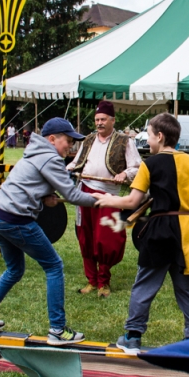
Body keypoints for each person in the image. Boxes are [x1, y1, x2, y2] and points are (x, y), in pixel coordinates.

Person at [0, 118, 99, 345]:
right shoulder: (51, 158)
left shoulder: (34, 152)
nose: (71, 146)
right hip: (15, 219)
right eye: (68, 141)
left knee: (14, 270)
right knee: (54, 266)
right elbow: (73, 195)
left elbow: (31, 185)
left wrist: (44, 198)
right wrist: (101, 200)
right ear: (52, 139)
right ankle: (58, 330)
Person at [95, 113, 189, 354]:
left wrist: (107, 199)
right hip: (188, 233)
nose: (147, 139)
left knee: (144, 285)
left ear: (159, 136)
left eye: (149, 134)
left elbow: (132, 200)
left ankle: (133, 336)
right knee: (186, 289)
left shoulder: (150, 163)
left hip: (160, 232)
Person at [66, 101, 141, 298]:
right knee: (86, 236)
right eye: (97, 119)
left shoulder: (125, 141)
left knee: (106, 239)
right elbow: (76, 162)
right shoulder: (88, 140)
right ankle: (91, 280)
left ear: (112, 120)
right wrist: (67, 170)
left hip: (109, 195)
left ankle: (103, 281)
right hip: (85, 192)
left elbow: (137, 167)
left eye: (103, 119)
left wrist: (124, 174)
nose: (99, 123)